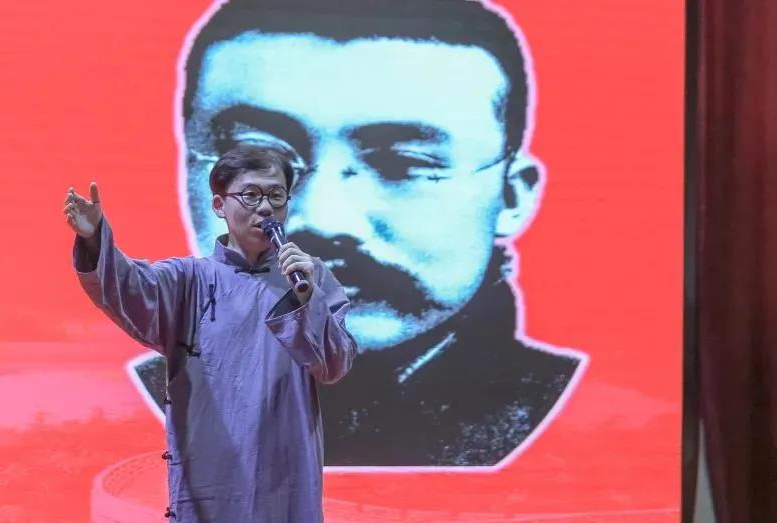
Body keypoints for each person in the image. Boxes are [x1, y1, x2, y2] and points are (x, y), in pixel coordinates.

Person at [129, 0, 588, 467]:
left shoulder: (584, 416)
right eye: (256, 160)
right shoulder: (137, 399)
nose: (326, 218)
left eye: (404, 163)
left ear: (510, 196)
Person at [67, 147, 356, 523]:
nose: (265, 207)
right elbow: (129, 290)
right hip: (213, 487)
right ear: (220, 204)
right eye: (251, 195)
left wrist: (305, 298)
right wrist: (96, 240)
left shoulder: (311, 277)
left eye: (276, 195)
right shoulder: (191, 281)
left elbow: (334, 363)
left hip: (287, 485)